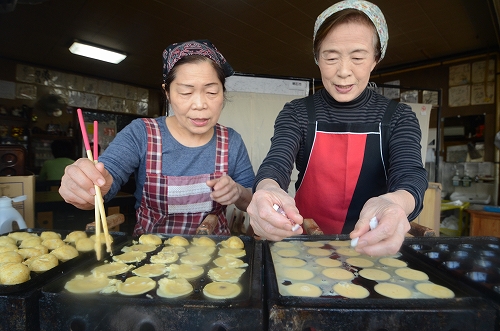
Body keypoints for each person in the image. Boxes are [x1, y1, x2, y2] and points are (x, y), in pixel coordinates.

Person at [247, 0, 427, 256]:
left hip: (371, 246)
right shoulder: (297, 113)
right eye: (331, 57)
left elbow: (410, 176)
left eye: (357, 57)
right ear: (317, 58)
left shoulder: (398, 117)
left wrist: (395, 203)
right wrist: (267, 191)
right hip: (304, 245)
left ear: (376, 58)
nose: (343, 71)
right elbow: (276, 162)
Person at [59, 40, 255, 236]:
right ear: (167, 93)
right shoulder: (141, 133)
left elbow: (252, 202)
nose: (200, 104)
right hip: (150, 258)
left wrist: (237, 192)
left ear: (222, 92)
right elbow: (108, 173)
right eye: (186, 92)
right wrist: (89, 184)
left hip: (217, 257)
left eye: (211, 92)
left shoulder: (231, 141)